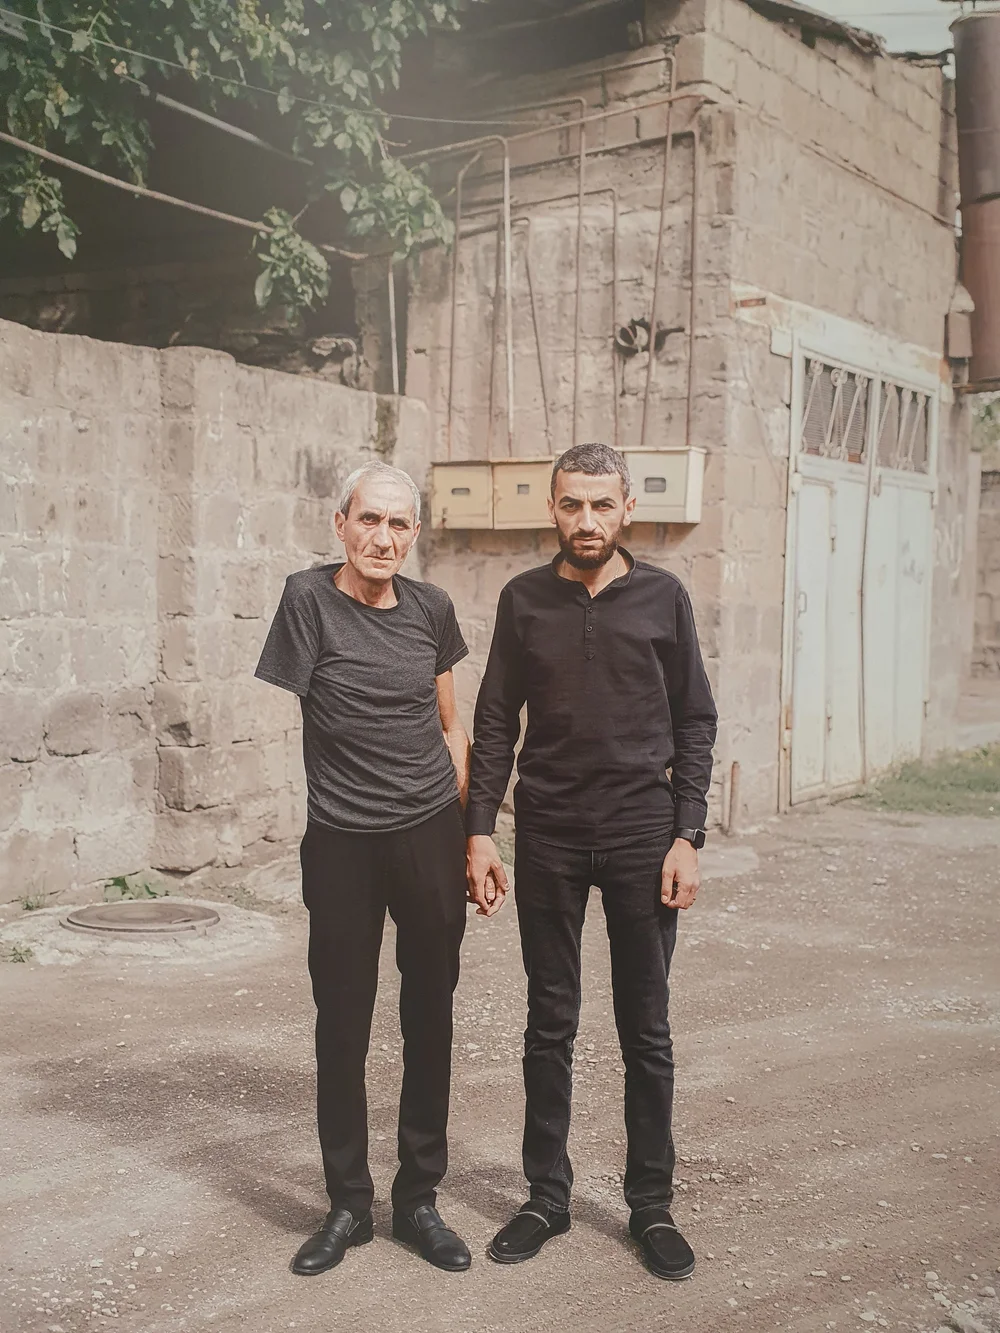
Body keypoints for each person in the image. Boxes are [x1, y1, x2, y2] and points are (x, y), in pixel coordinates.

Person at [466, 442, 718, 1281]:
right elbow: (495, 717)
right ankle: (547, 1196)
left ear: (626, 510)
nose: (586, 520)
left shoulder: (664, 598)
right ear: (552, 508)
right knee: (550, 1021)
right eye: (571, 504)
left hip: (646, 834)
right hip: (550, 833)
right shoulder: (523, 599)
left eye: (601, 504)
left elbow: (695, 720)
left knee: (646, 1027)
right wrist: (479, 830)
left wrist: (688, 834)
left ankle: (651, 1205)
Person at [255, 460, 473, 1276]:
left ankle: (419, 1199)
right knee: (342, 1026)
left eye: (398, 523)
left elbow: (451, 726)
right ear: (340, 523)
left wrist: (470, 837)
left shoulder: (432, 609)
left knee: (430, 1018)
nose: (383, 537)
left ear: (414, 534)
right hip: (342, 841)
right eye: (369, 519)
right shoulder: (307, 600)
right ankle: (348, 1203)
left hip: (429, 833)